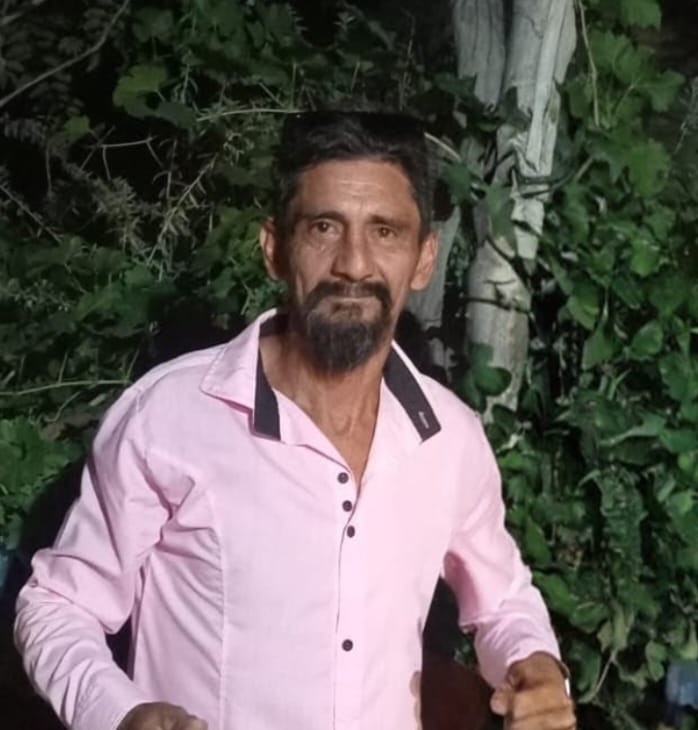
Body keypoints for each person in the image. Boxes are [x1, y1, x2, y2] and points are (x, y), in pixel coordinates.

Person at [14, 110, 575, 730]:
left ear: (423, 259)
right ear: (275, 249)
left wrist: (533, 662)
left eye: (385, 232)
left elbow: (502, 602)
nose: (354, 264)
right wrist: (120, 714)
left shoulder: (449, 438)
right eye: (324, 228)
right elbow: (58, 605)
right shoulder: (170, 419)